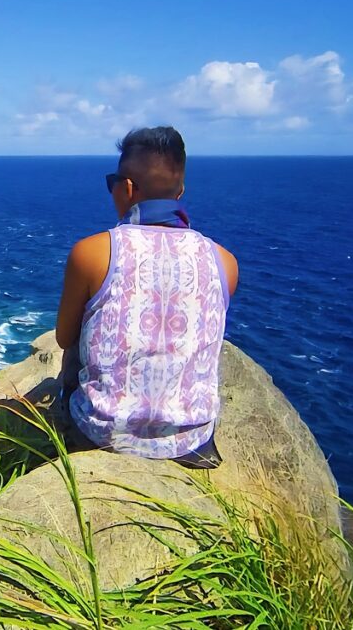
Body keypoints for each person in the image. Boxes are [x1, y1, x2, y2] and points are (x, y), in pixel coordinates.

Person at [55, 126, 239, 469]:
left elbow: (64, 338)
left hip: (101, 434)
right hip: (190, 440)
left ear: (126, 187)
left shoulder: (92, 252)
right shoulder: (223, 260)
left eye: (113, 181)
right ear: (180, 190)